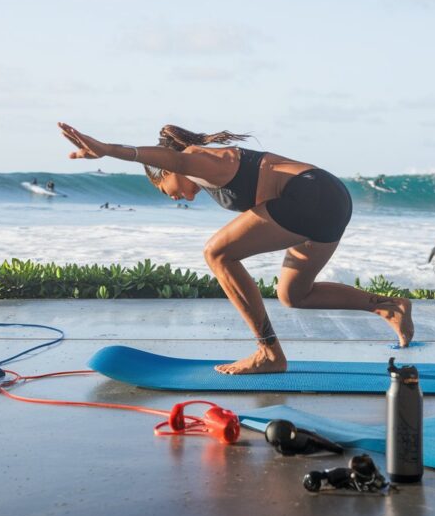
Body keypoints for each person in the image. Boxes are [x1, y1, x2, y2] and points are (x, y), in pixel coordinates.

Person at [58, 121, 414, 375]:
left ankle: (268, 353)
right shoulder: (210, 167)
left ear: (163, 172)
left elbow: (178, 162)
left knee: (216, 253)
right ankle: (388, 307)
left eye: (162, 189)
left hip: (310, 194)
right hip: (331, 197)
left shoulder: (199, 160)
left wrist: (108, 150)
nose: (172, 196)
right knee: (294, 294)